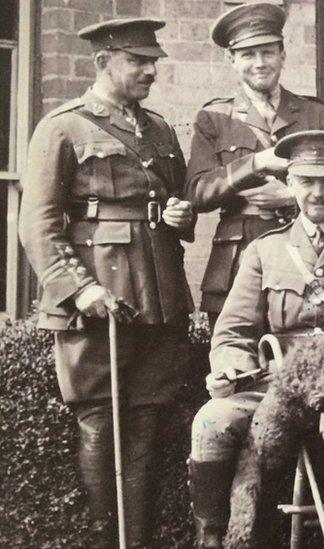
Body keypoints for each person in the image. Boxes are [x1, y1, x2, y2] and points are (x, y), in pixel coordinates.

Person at [18, 18, 195, 547]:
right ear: (103, 63)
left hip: (158, 294)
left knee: (145, 422)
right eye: (138, 62)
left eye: (154, 62)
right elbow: (38, 223)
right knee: (99, 419)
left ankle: (135, 542)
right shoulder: (63, 128)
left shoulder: (160, 129)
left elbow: (171, 206)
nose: (150, 72)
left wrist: (180, 219)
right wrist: (79, 289)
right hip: (98, 297)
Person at [188, 131, 324, 548]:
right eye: (306, 182)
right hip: (274, 383)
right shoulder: (266, 251)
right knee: (210, 421)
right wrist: (231, 370)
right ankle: (212, 540)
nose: (318, 193)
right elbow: (232, 332)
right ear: (291, 185)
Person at [185, 1, 324, 326]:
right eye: (248, 55)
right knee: (235, 359)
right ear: (232, 60)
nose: (259, 63)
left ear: (283, 55)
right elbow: (196, 193)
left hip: (307, 251)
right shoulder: (215, 118)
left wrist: (294, 196)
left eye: (268, 52)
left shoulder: (315, 114)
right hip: (238, 258)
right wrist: (255, 163)